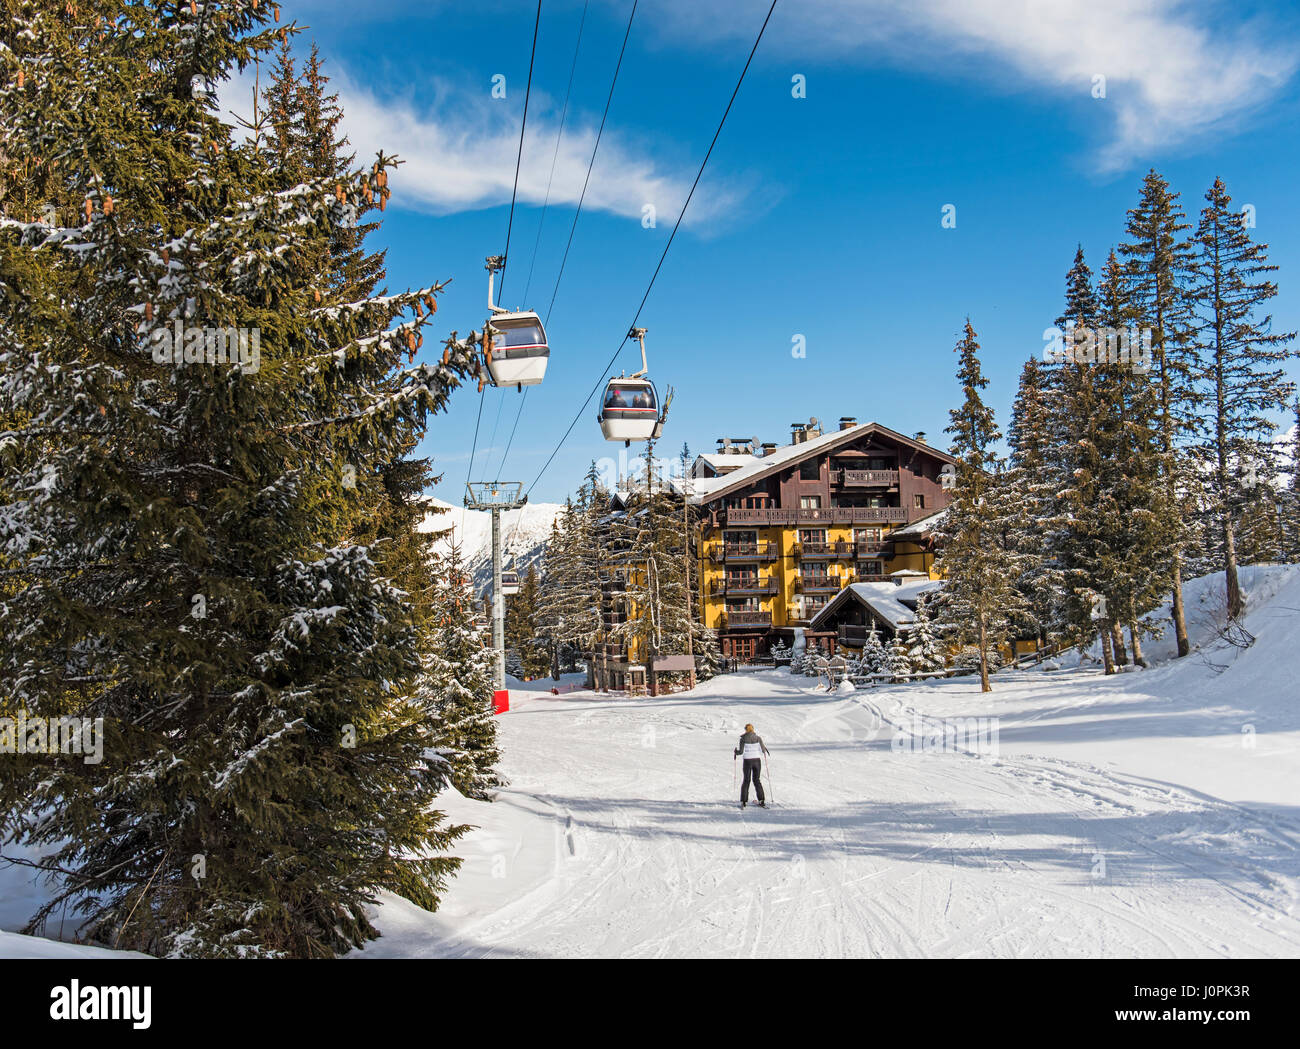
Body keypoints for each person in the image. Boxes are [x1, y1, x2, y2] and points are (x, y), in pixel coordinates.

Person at [734, 723, 770, 808]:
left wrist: (736, 752)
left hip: (747, 761)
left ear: (746, 729)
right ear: (753, 729)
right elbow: (763, 750)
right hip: (757, 761)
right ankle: (761, 800)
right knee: (757, 780)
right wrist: (765, 749)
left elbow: (741, 752)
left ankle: (743, 802)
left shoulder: (743, 739)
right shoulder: (758, 738)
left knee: (746, 780)